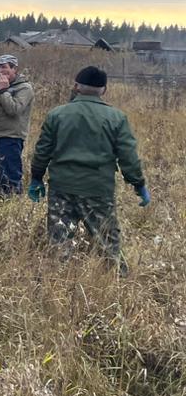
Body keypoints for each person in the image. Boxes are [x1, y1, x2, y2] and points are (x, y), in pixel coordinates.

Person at [28, 66, 149, 274]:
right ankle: (116, 287)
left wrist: (36, 178)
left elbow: (42, 151)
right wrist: (138, 184)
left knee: (59, 243)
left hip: (62, 188)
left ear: (76, 87)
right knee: (107, 244)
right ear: (104, 90)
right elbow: (128, 157)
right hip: (98, 189)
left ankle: (55, 289)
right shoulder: (116, 118)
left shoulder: (57, 115)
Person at [0, 54, 33, 195]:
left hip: (11, 138)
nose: (0, 71)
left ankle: (11, 204)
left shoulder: (24, 88)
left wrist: (3, 91)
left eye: (4, 67)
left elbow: (14, 110)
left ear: (14, 69)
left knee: (10, 177)